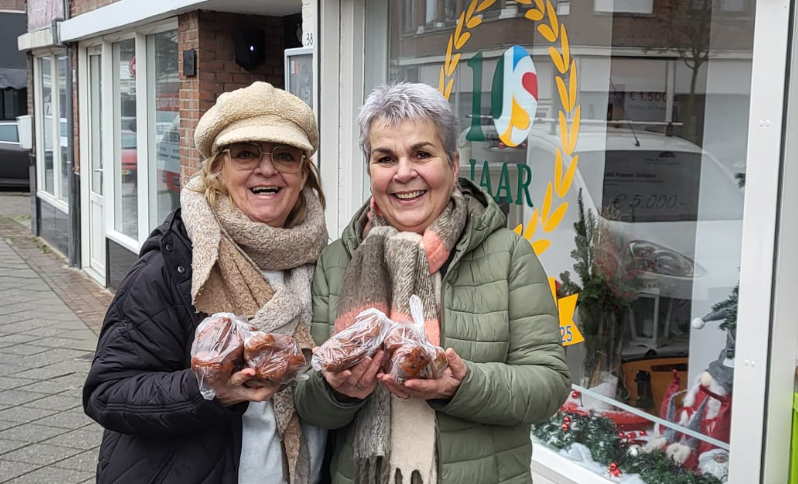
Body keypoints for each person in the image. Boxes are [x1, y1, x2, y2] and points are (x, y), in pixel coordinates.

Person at [294, 82, 571, 484]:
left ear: (454, 164)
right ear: (370, 169)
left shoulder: (509, 255)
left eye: (422, 154)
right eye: (386, 158)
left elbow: (549, 382)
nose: (404, 173)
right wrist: (336, 390)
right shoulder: (339, 260)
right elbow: (309, 402)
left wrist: (461, 385)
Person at [83, 82, 329, 484]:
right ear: (217, 168)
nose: (266, 169)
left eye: (285, 155)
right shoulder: (175, 264)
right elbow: (107, 392)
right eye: (245, 153)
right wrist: (209, 390)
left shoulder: (328, 261)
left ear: (303, 173)